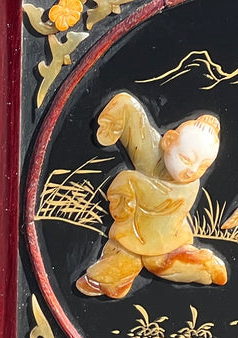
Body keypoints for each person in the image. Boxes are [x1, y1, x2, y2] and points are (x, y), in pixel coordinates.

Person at [76, 92, 227, 299]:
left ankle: (202, 265)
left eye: (203, 166)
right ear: (169, 141)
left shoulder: (186, 187)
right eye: (186, 158)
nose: (192, 170)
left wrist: (129, 182)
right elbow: (139, 129)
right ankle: (107, 282)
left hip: (162, 236)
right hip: (137, 230)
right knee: (125, 256)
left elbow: (147, 191)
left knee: (156, 262)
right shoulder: (156, 155)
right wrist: (117, 116)